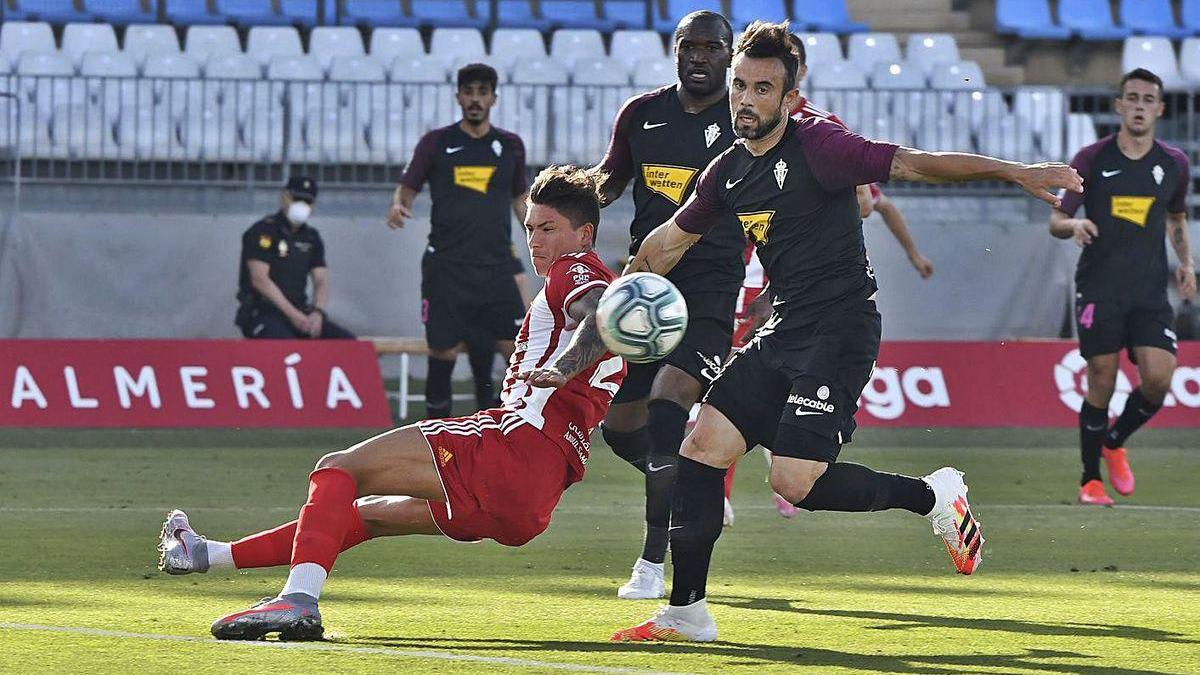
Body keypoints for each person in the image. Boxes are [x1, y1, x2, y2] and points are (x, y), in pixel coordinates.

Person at [590, 21, 1080, 642]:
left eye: (763, 88)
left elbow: (917, 164)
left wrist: (1016, 172)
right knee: (702, 446)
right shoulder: (728, 171)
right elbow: (668, 242)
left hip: (841, 329)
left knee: (794, 482)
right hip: (786, 326)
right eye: (740, 85)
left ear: (791, 98)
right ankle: (686, 612)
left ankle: (932, 497)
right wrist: (624, 292)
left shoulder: (822, 146)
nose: (745, 98)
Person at [159, 166, 625, 641]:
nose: (535, 241)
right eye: (529, 228)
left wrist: (565, 366)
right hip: (536, 496)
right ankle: (206, 554)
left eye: (548, 229)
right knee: (366, 514)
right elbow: (609, 329)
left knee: (337, 469)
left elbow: (596, 312)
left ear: (583, 233)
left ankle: (298, 601)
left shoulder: (578, 270)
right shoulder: (620, 311)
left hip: (513, 446)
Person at [592, 10, 746, 601]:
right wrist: (570, 196)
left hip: (710, 288)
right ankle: (691, 488)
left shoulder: (743, 123)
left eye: (714, 47)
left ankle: (651, 563)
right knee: (619, 428)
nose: (701, 56)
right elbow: (609, 180)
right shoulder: (640, 115)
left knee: (665, 409)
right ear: (675, 50)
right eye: (691, 45)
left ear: (730, 57)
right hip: (645, 286)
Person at [1049, 68, 1195, 506]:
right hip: (1099, 288)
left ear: (1160, 109)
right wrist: (1074, 222)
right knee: (1102, 379)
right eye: (1131, 97)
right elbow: (1056, 220)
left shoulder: (1174, 164)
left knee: (1158, 379)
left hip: (1149, 293)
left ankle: (1114, 441)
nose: (1139, 106)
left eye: (1148, 100)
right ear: (1118, 105)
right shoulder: (1091, 159)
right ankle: (1090, 480)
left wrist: (1186, 262)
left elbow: (1176, 217)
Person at [388, 63, 532, 417]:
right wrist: (398, 206)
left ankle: (502, 433)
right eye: (469, 92)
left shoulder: (510, 146)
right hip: (446, 269)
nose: (475, 100)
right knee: (443, 352)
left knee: (511, 348)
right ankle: (434, 439)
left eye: (483, 93)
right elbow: (408, 188)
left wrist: (536, 232)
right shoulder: (436, 143)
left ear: (494, 99)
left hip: (496, 269)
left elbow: (520, 199)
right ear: (458, 97)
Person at [235, 177, 356, 339]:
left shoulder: (311, 237)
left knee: (347, 343)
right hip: (263, 312)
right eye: (297, 199)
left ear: (313, 207)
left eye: (307, 201)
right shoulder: (263, 231)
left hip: (300, 311)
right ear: (284, 197)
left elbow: (321, 280)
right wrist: (294, 315)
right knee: (285, 344)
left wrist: (317, 312)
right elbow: (259, 279)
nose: (301, 205)